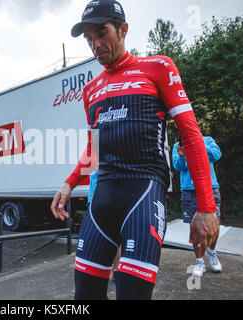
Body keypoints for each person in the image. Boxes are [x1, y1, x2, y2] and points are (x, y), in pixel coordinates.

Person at [50, 0, 219, 300]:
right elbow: (94, 150)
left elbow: (191, 137)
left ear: (123, 29)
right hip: (103, 199)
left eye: (102, 33)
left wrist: (206, 207)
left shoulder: (158, 68)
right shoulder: (91, 91)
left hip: (144, 193)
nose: (96, 44)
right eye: (90, 39)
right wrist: (69, 182)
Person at [173, 136, 223, 277]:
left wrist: (198, 144)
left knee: (214, 225)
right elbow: (178, 166)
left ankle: (212, 253)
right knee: (194, 228)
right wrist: (183, 156)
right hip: (189, 190)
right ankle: (199, 261)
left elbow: (216, 155)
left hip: (210, 188)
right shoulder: (178, 144)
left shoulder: (207, 140)